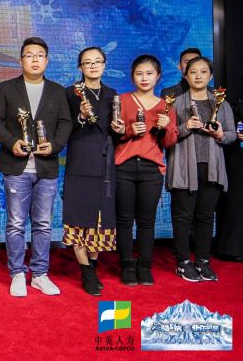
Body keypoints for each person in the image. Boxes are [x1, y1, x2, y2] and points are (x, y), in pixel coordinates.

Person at [0, 36, 72, 298]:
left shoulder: (57, 91)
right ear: (20, 60)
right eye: (29, 55)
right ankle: (16, 273)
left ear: (47, 60)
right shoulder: (7, 88)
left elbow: (66, 123)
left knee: (43, 224)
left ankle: (40, 274)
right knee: (15, 223)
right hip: (17, 166)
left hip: (46, 167)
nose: (35, 60)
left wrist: (55, 145)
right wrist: (11, 143)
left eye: (39, 55)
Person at [166, 57, 235, 282]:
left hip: (212, 169)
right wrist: (185, 127)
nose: (198, 76)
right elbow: (166, 137)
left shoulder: (221, 103)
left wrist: (221, 135)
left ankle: (203, 261)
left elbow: (232, 134)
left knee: (206, 217)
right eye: (193, 72)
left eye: (203, 72)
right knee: (183, 217)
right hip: (184, 168)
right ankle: (183, 262)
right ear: (185, 76)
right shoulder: (176, 103)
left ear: (210, 76)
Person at [114, 54, 178, 286]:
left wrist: (167, 127)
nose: (144, 78)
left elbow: (169, 143)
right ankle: (126, 266)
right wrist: (130, 130)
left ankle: (144, 266)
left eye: (149, 73)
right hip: (124, 166)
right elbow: (112, 135)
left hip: (151, 169)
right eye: (139, 73)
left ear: (158, 76)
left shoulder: (165, 105)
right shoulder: (122, 100)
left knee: (147, 221)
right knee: (124, 220)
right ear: (132, 76)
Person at [62, 48, 120, 296]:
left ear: (105, 64)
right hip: (80, 161)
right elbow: (64, 127)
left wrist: (119, 129)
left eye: (98, 61)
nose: (93, 66)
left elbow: (115, 130)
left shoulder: (112, 94)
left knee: (99, 220)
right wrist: (81, 117)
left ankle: (93, 267)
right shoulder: (70, 93)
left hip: (105, 163)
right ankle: (85, 271)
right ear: (80, 67)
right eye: (87, 63)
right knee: (79, 218)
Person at [218, 91, 243, 259]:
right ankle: (233, 249)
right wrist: (235, 133)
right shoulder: (237, 100)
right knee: (236, 202)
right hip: (237, 157)